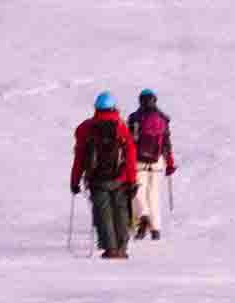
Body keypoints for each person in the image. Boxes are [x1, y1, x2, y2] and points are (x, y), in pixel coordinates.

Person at [71, 91, 138, 259]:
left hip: (96, 179)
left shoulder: (85, 128)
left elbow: (79, 156)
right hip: (119, 178)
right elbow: (130, 154)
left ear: (96, 108)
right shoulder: (121, 126)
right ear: (113, 107)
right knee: (120, 210)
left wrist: (75, 180)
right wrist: (132, 180)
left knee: (103, 213)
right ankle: (122, 248)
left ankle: (111, 249)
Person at [126, 89, 177, 241]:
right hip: (157, 162)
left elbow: (129, 143)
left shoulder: (134, 118)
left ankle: (143, 217)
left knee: (137, 192)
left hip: (138, 161)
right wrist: (170, 163)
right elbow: (166, 143)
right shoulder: (162, 118)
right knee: (153, 194)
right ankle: (155, 229)